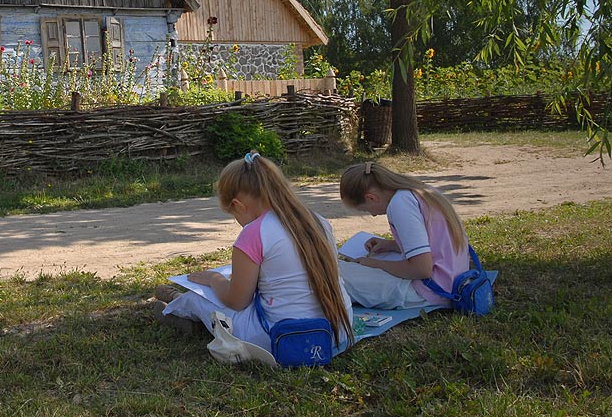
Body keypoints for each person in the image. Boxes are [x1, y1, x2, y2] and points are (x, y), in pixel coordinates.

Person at [154, 151, 354, 354]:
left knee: (199, 299)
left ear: (238, 205)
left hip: (283, 338)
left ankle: (173, 309)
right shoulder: (317, 220)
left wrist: (214, 279)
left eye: (233, 215)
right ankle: (180, 305)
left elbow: (237, 301)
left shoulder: (254, 232)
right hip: (338, 333)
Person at [338, 161, 470, 309]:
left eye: (366, 209)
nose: (373, 215)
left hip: (430, 291)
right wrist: (391, 245)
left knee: (332, 273)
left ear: (371, 198)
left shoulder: (400, 205)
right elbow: (435, 245)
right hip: (452, 281)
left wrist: (375, 265)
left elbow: (421, 269)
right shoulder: (421, 190)